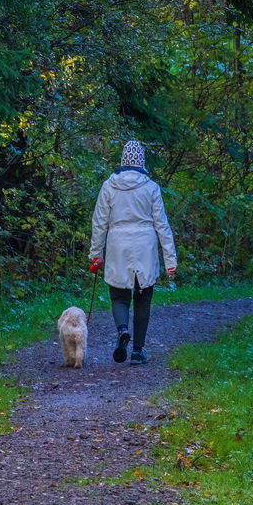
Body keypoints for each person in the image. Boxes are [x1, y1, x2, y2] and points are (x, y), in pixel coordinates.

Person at [89, 140, 177, 364]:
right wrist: (170, 259)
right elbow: (162, 225)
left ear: (122, 160)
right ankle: (138, 351)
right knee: (143, 298)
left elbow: (99, 222)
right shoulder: (151, 188)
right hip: (144, 247)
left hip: (118, 245)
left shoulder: (109, 186)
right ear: (142, 162)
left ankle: (122, 330)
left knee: (118, 296)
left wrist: (96, 253)